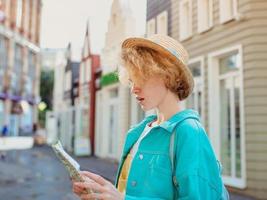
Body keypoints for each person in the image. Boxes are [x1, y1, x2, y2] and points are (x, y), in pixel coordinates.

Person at [72, 34, 229, 199]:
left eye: (141, 78)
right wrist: (103, 193)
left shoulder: (188, 131)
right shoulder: (136, 132)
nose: (134, 89)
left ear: (168, 75)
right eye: (131, 81)